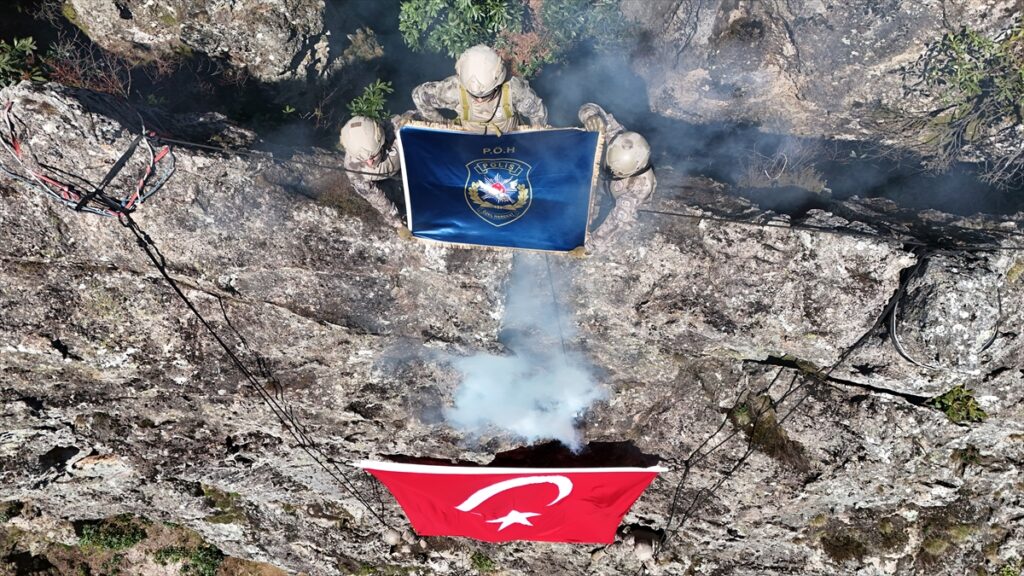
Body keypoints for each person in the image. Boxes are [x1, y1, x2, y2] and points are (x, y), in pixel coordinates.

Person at [412, 44, 547, 135]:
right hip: (468, 142)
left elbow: (537, 112)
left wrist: (533, 139)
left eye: (488, 95)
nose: (480, 99)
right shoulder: (452, 90)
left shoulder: (514, 89)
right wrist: (441, 126)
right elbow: (420, 96)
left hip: (509, 141)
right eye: (473, 96)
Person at [578, 103, 656, 251]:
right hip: (602, 184)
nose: (611, 171)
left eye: (616, 173)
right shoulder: (617, 137)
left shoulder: (639, 188)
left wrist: (589, 245)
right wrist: (591, 116)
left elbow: (616, 224)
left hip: (615, 195)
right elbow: (590, 107)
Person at [340, 114, 407, 227]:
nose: (370, 163)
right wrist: (397, 223)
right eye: (364, 159)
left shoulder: (379, 131)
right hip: (389, 171)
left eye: (372, 157)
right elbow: (377, 199)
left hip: (398, 154)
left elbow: (397, 121)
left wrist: (408, 120)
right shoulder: (354, 171)